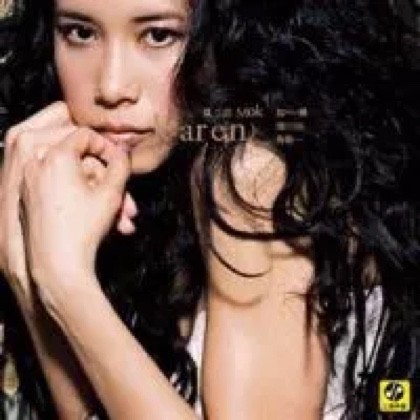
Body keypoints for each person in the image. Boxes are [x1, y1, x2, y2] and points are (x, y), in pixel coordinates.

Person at [0, 0, 419, 419]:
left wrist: (64, 281)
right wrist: (28, 270)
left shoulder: (253, 175)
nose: (111, 87)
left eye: (159, 36)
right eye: (80, 32)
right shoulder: (145, 194)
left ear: (231, 32)